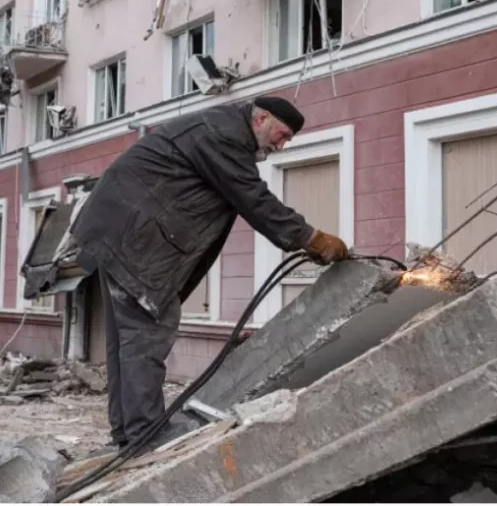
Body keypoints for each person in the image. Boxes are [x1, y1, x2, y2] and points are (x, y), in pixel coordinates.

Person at [70, 96, 349, 450]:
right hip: (136, 241)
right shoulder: (224, 136)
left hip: (120, 233)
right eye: (281, 135)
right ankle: (144, 436)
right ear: (261, 118)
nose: (281, 145)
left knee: (125, 341)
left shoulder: (221, 127)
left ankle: (127, 434)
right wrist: (312, 238)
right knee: (147, 335)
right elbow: (254, 199)